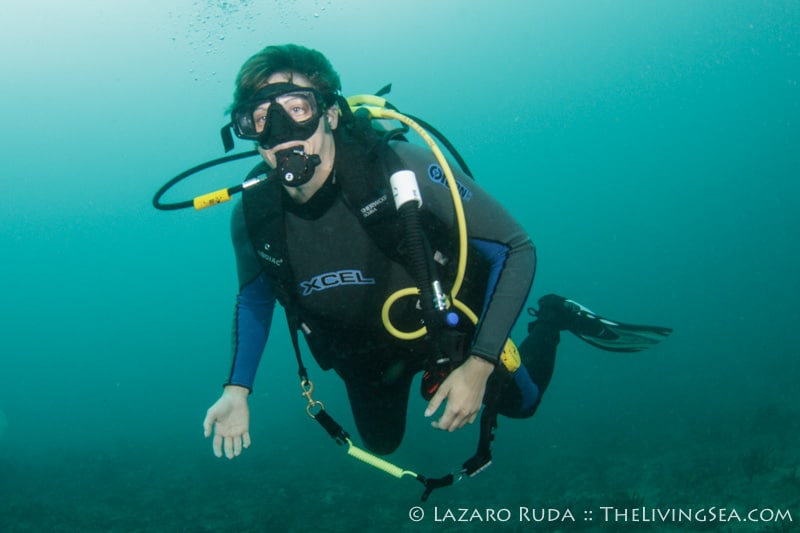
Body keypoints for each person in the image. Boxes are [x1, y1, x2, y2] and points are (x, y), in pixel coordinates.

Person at [202, 44, 671, 460]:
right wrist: (237, 389)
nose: (280, 131)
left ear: (330, 114)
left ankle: (552, 318)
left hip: (446, 331)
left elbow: (515, 247)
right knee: (382, 444)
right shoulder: (254, 214)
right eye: (259, 119)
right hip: (363, 357)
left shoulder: (400, 168)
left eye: (297, 108)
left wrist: (480, 364)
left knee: (524, 405)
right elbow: (256, 297)